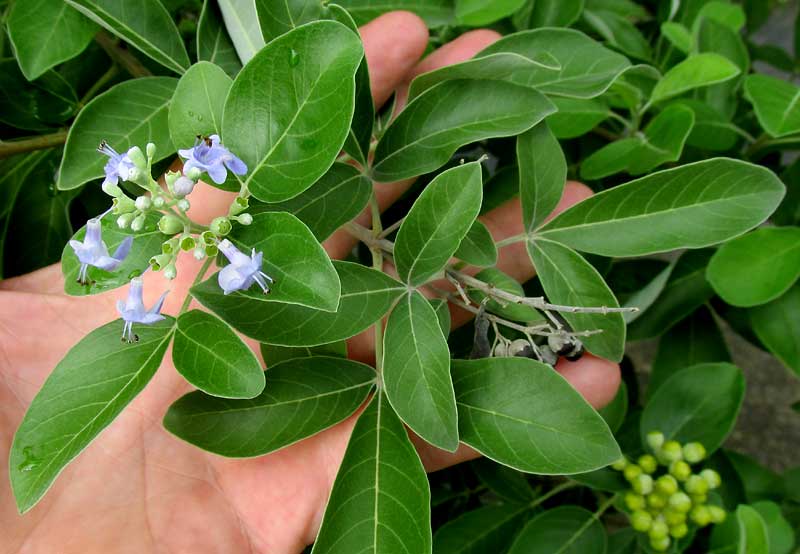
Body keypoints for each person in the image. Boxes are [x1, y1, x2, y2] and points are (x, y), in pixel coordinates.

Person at [0, 11, 620, 553]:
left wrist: (233, 216)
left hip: (253, 238)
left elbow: (265, 237)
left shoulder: (221, 198)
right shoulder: (169, 253)